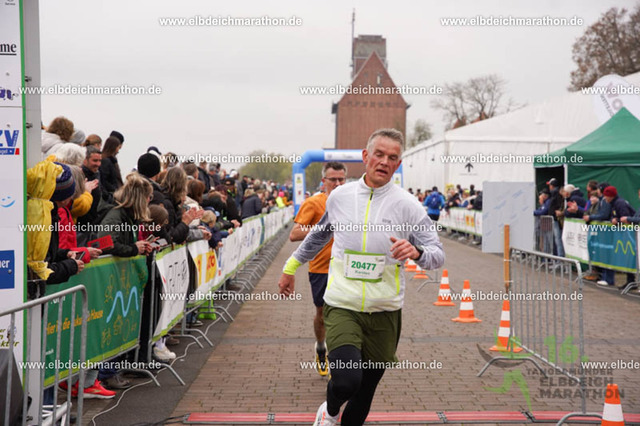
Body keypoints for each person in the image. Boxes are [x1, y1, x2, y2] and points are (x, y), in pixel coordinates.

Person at [278, 129, 445, 426]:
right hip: (343, 303)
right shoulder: (340, 197)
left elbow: (437, 254)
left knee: (364, 391)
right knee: (346, 381)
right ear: (366, 157)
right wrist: (290, 267)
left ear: (398, 164)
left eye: (392, 157)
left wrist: (417, 252)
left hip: (385, 310)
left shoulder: (408, 205)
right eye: (379, 154)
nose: (384, 162)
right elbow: (318, 236)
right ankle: (329, 412)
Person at [289, 162, 346, 376]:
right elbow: (294, 234)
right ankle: (321, 347)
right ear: (324, 181)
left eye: (341, 179)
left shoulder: (352, 203)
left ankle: (338, 357)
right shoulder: (314, 203)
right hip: (321, 268)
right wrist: (323, 229)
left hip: (347, 268)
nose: (338, 183)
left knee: (344, 314)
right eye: (333, 179)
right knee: (322, 314)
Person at [99, 136, 124, 201]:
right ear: (114, 147)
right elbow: (104, 180)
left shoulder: (110, 161)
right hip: (110, 194)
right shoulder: (106, 161)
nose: (118, 150)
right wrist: (115, 189)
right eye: (118, 147)